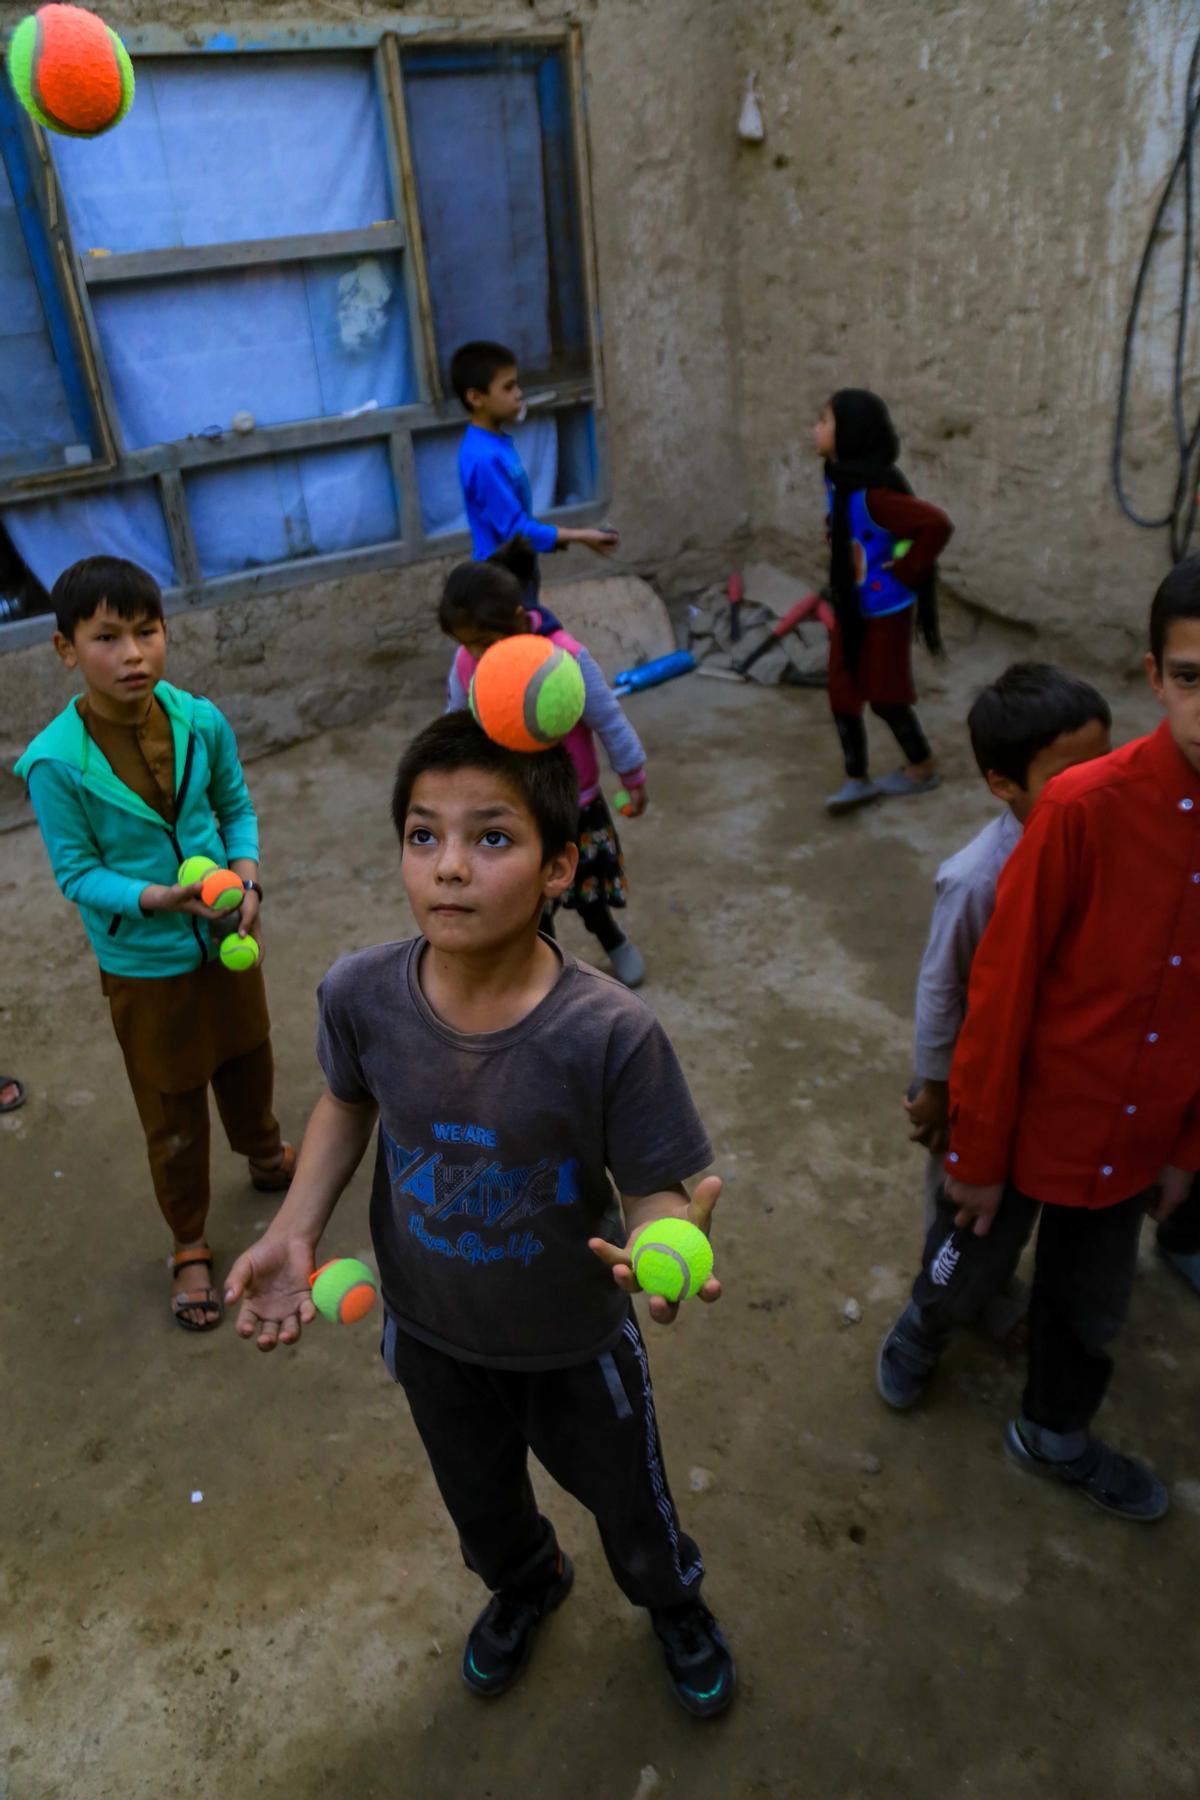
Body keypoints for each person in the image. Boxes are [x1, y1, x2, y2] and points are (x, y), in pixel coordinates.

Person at [223, 712, 735, 1717]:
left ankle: (671, 1599)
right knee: (480, 1501)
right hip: (430, 1333)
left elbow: (655, 1187)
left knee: (631, 1503)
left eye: (491, 837)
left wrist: (661, 1239)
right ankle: (525, 1583)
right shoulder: (361, 993)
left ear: (559, 869)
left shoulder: (608, 1034)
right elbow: (348, 1099)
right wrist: (295, 1227)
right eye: (425, 836)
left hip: (574, 1339)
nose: (449, 867)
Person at [907, 559, 1200, 1522]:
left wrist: (1187, 1149)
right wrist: (977, 1151)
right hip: (1027, 1131)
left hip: (1134, 1145)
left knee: (1090, 1308)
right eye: (1194, 677)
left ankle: (1055, 1434)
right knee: (965, 1263)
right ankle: (920, 1329)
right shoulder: (1081, 812)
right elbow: (995, 995)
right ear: (1155, 676)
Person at [14, 557, 292, 1332]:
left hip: (225, 937)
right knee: (172, 1106)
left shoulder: (200, 720)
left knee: (248, 1054)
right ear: (67, 649)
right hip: (144, 963)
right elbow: (78, 875)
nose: (134, 653)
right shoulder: (54, 764)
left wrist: (248, 878)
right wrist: (156, 900)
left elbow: (235, 807)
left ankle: (267, 1155)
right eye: (108, 637)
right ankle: (190, 1243)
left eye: (148, 631)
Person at [878, 664, 1111, 1403]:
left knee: (1026, 1219)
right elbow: (942, 990)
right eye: (1074, 772)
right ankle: (927, 1323)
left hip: (1067, 1086)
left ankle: (986, 1294)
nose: (1099, 783)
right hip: (982, 1091)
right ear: (1004, 786)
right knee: (967, 1227)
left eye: (1108, 761)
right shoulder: (978, 878)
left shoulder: (1110, 840)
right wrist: (937, 1086)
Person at [441, 538, 650, 988]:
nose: (477, 655)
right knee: (528, 905)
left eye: (484, 642)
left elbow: (608, 718)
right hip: (512, 808)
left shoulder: (565, 657)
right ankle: (551, 975)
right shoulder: (466, 663)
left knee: (584, 890)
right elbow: (456, 722)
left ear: (519, 620)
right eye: (467, 645)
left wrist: (632, 773)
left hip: (574, 804)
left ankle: (612, 940)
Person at [812, 389, 953, 815]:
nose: (815, 428)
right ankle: (857, 779)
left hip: (886, 610)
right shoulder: (837, 478)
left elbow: (936, 524)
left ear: (850, 434)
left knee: (886, 694)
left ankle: (922, 765)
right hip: (852, 608)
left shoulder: (875, 495)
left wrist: (907, 569)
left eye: (824, 420)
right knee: (841, 688)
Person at [451, 340, 618, 580]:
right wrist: (581, 536)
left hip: (516, 571)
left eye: (516, 385)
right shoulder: (484, 458)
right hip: (500, 578)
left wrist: (580, 536)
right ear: (476, 397)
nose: (518, 394)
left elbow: (519, 524)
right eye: (508, 388)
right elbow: (515, 531)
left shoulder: (496, 444)